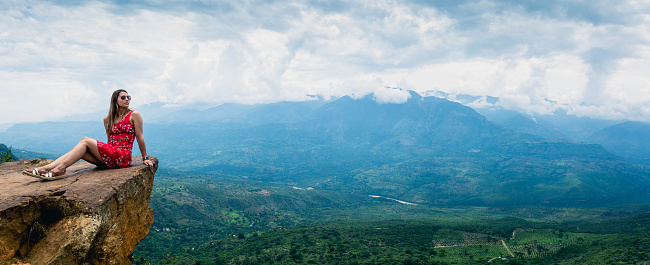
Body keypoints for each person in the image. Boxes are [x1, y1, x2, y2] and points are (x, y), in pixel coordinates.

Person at [24, 89, 154, 180]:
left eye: (128, 97)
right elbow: (110, 141)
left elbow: (140, 137)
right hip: (110, 157)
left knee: (85, 140)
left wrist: (145, 158)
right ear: (115, 100)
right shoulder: (107, 119)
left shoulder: (134, 115)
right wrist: (105, 157)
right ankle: (46, 168)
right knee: (77, 149)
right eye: (123, 97)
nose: (127, 99)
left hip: (122, 157)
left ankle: (60, 169)